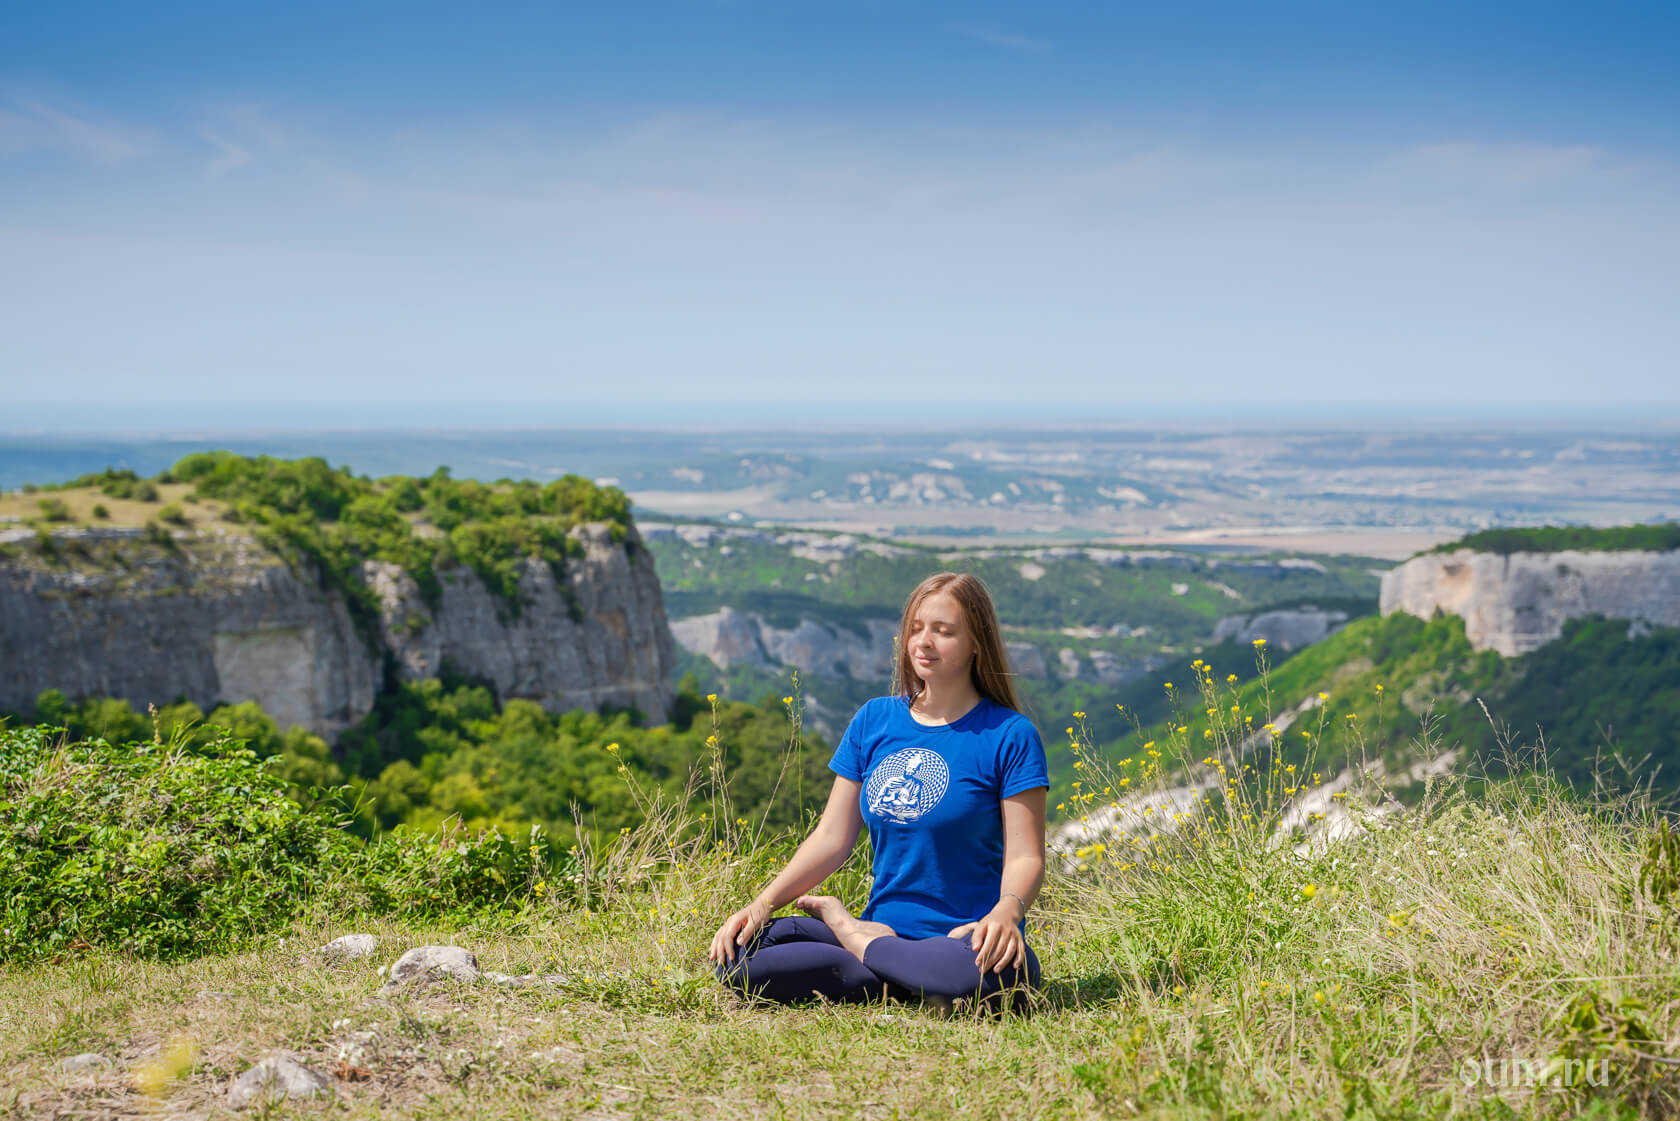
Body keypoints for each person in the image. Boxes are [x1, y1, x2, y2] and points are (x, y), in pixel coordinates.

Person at [708, 571, 1049, 1015]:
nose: (924, 642)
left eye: (944, 632)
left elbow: (1026, 856)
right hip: (884, 926)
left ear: (976, 644)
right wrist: (762, 904)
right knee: (739, 958)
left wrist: (1007, 913)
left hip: (967, 940)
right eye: (916, 628)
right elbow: (832, 838)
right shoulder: (875, 720)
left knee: (986, 981)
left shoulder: (1009, 734)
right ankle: (899, 970)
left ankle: (859, 946)